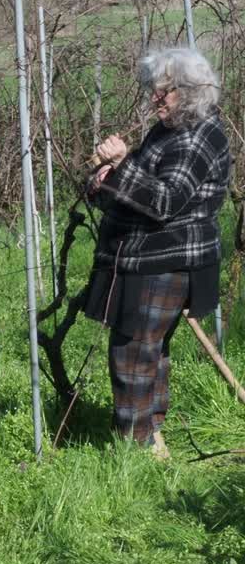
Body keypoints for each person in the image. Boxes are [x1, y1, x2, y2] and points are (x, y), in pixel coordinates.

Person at [83, 47, 230, 459]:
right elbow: (135, 191)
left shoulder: (202, 134)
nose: (154, 98)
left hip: (166, 260)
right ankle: (151, 436)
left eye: (162, 91)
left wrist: (123, 164)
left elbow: (165, 201)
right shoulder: (166, 131)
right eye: (154, 90)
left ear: (186, 90)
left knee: (133, 350)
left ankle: (137, 445)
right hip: (144, 258)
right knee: (148, 349)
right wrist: (103, 179)